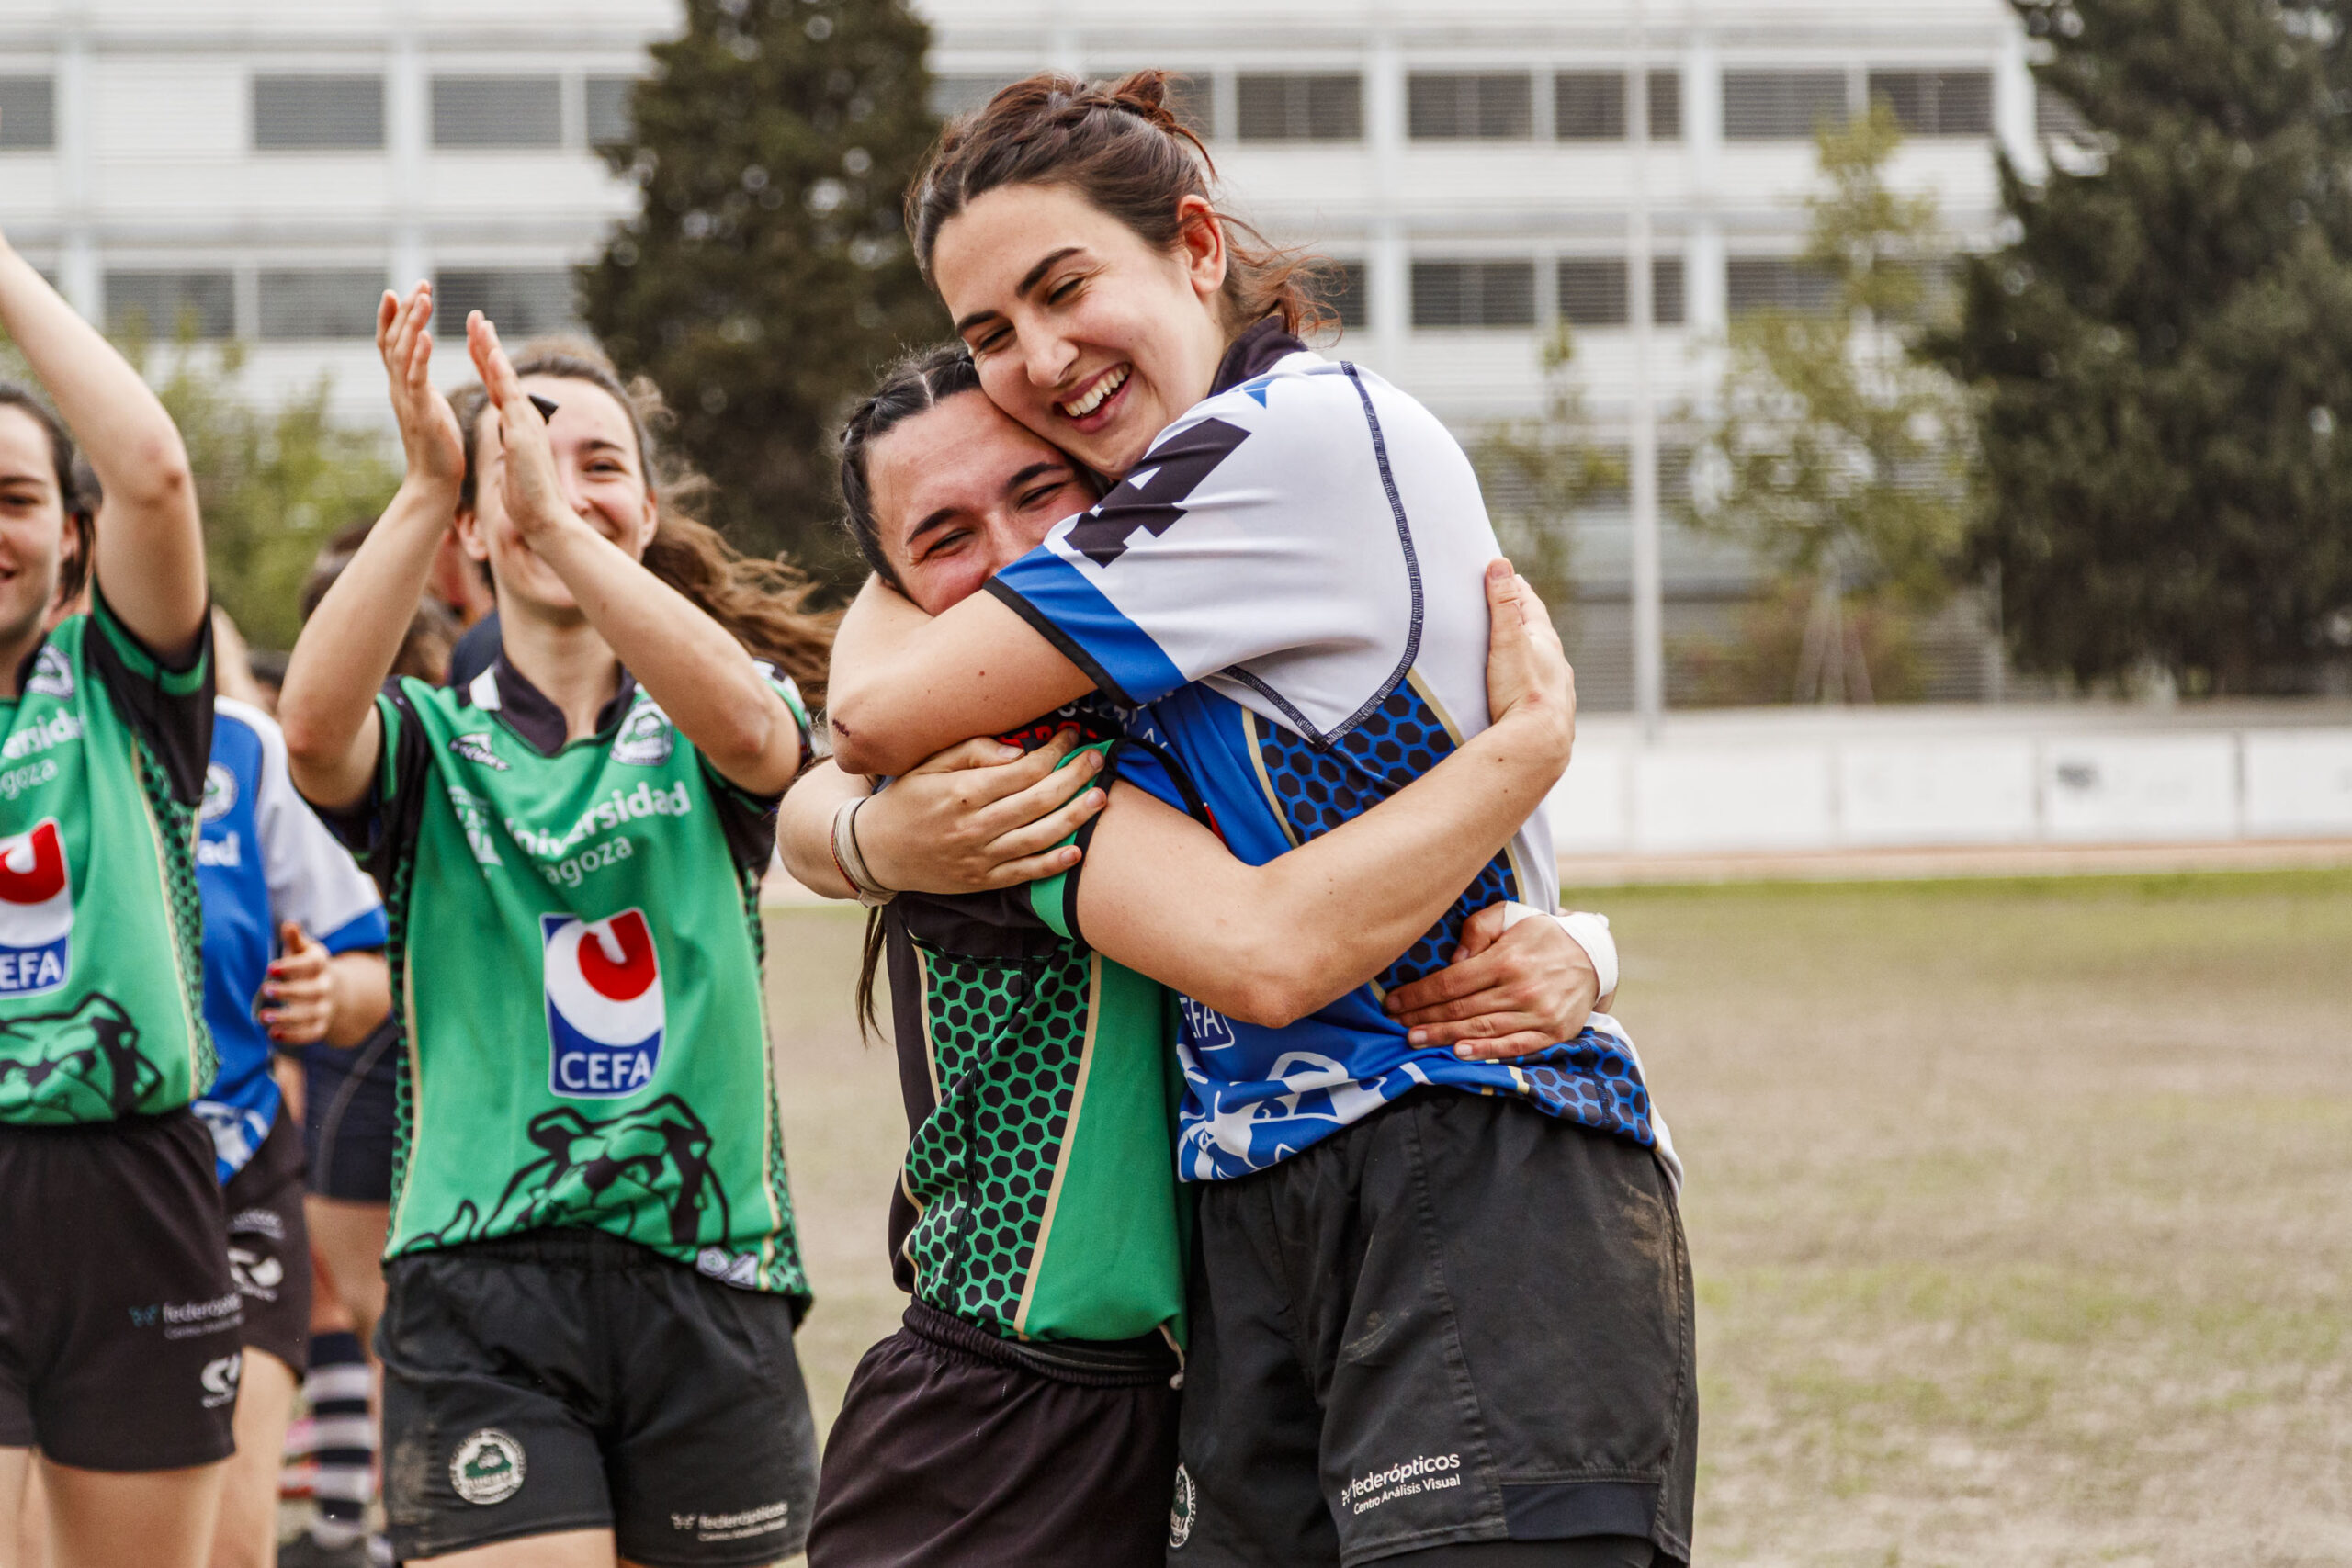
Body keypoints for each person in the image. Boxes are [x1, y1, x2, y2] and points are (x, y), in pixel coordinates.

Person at [823, 73, 1694, 1568]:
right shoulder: (1130, 583)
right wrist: (857, 839)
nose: (1038, 358)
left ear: (1197, 245)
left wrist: (1551, 822)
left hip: (1462, 1157)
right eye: (988, 334)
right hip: (1256, 1219)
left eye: (1064, 287)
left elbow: (877, 715)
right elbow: (851, 745)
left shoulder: (1287, 439)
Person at [278, 287, 830, 1568]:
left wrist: (560, 524)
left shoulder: (710, 717)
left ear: (646, 509)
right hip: (478, 1280)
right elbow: (310, 731)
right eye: (517, 462)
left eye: (599, 465)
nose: (556, 484)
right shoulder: (428, 739)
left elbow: (765, 742)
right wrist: (427, 482)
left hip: (711, 1267)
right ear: (470, 524)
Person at [0, 227, 234, 1568]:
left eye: (16, 495)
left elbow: (151, 465)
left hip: (131, 1184)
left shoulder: (124, 685)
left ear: (73, 535)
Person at [287, 525, 458, 1568]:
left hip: (432, 1043)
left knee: (397, 1314)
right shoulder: (295, 748)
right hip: (355, 1043)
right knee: (378, 1312)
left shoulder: (463, 740)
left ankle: (395, 1529)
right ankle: (370, 1526)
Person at [191, 686, 393, 1568]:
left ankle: (347, 1520)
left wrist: (330, 991)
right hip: (34, 1187)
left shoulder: (239, 746)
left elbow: (365, 966)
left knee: (231, 1542)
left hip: (227, 1168)